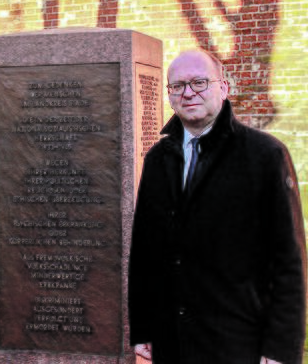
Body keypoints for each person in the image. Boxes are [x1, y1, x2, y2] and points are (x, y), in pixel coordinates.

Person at [129, 49, 306, 364]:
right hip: (173, 342)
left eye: (199, 82)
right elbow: (144, 251)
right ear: (169, 95)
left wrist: (281, 349)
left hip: (238, 343)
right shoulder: (157, 160)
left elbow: (288, 261)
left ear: (223, 88)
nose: (189, 93)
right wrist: (142, 327)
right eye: (178, 86)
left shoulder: (265, 156)